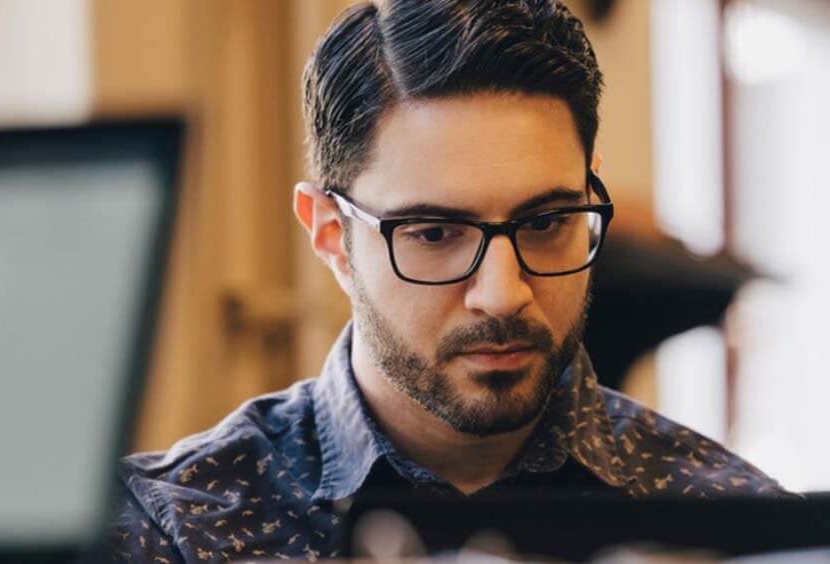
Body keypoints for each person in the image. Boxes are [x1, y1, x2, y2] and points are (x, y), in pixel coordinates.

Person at [104, 1, 787, 561]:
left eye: (547, 221)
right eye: (433, 234)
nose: (502, 292)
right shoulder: (174, 529)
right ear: (328, 234)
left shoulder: (735, 525)